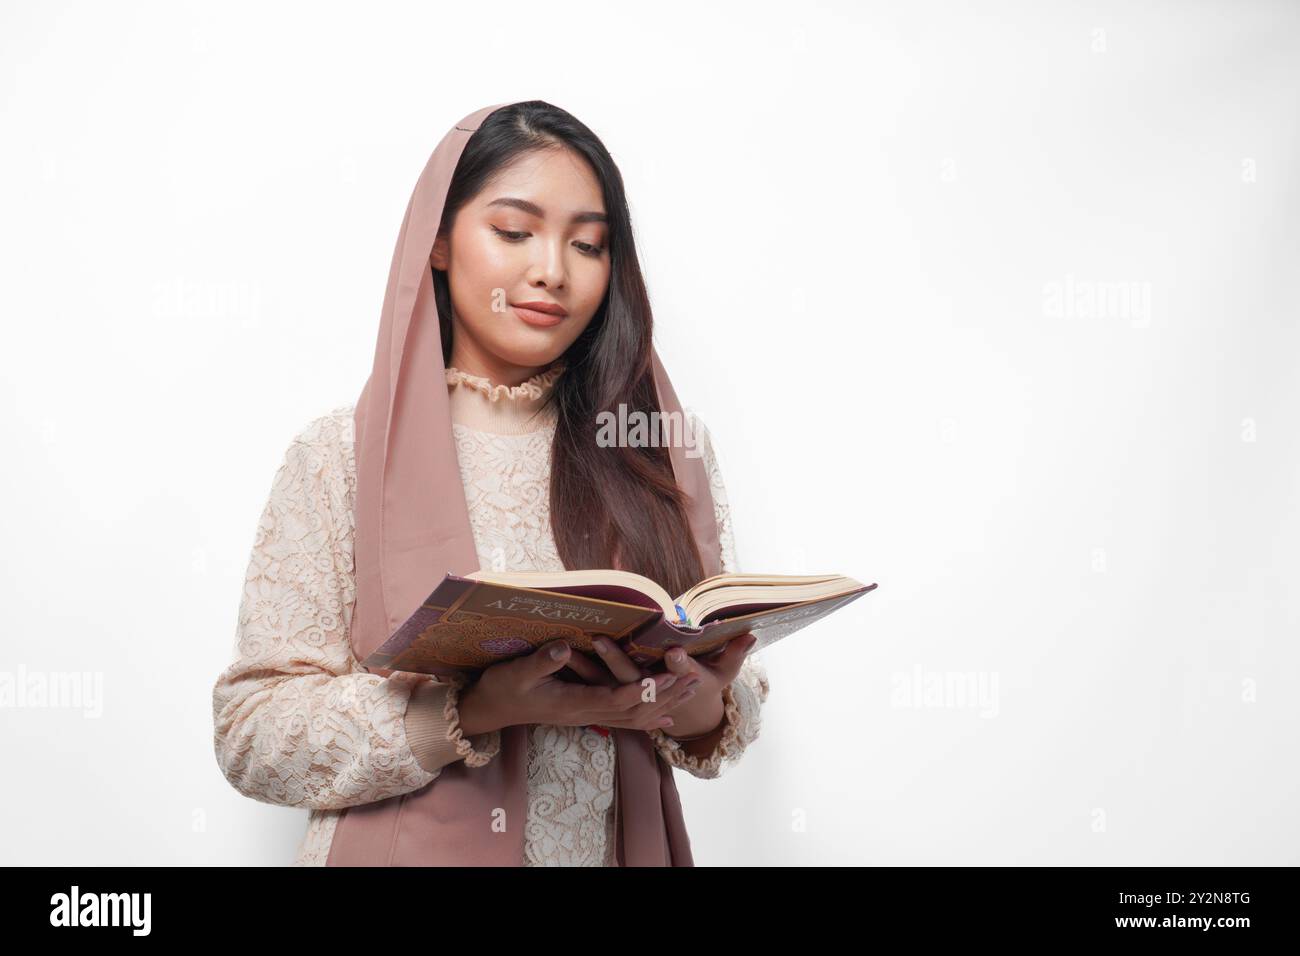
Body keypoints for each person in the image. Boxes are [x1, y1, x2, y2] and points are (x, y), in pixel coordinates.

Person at [211, 101, 770, 866]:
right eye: (514, 232)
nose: (552, 270)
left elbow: (725, 700)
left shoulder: (654, 452)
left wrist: (701, 705)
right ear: (437, 242)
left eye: (589, 244)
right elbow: (253, 734)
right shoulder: (341, 454)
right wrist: (471, 709)